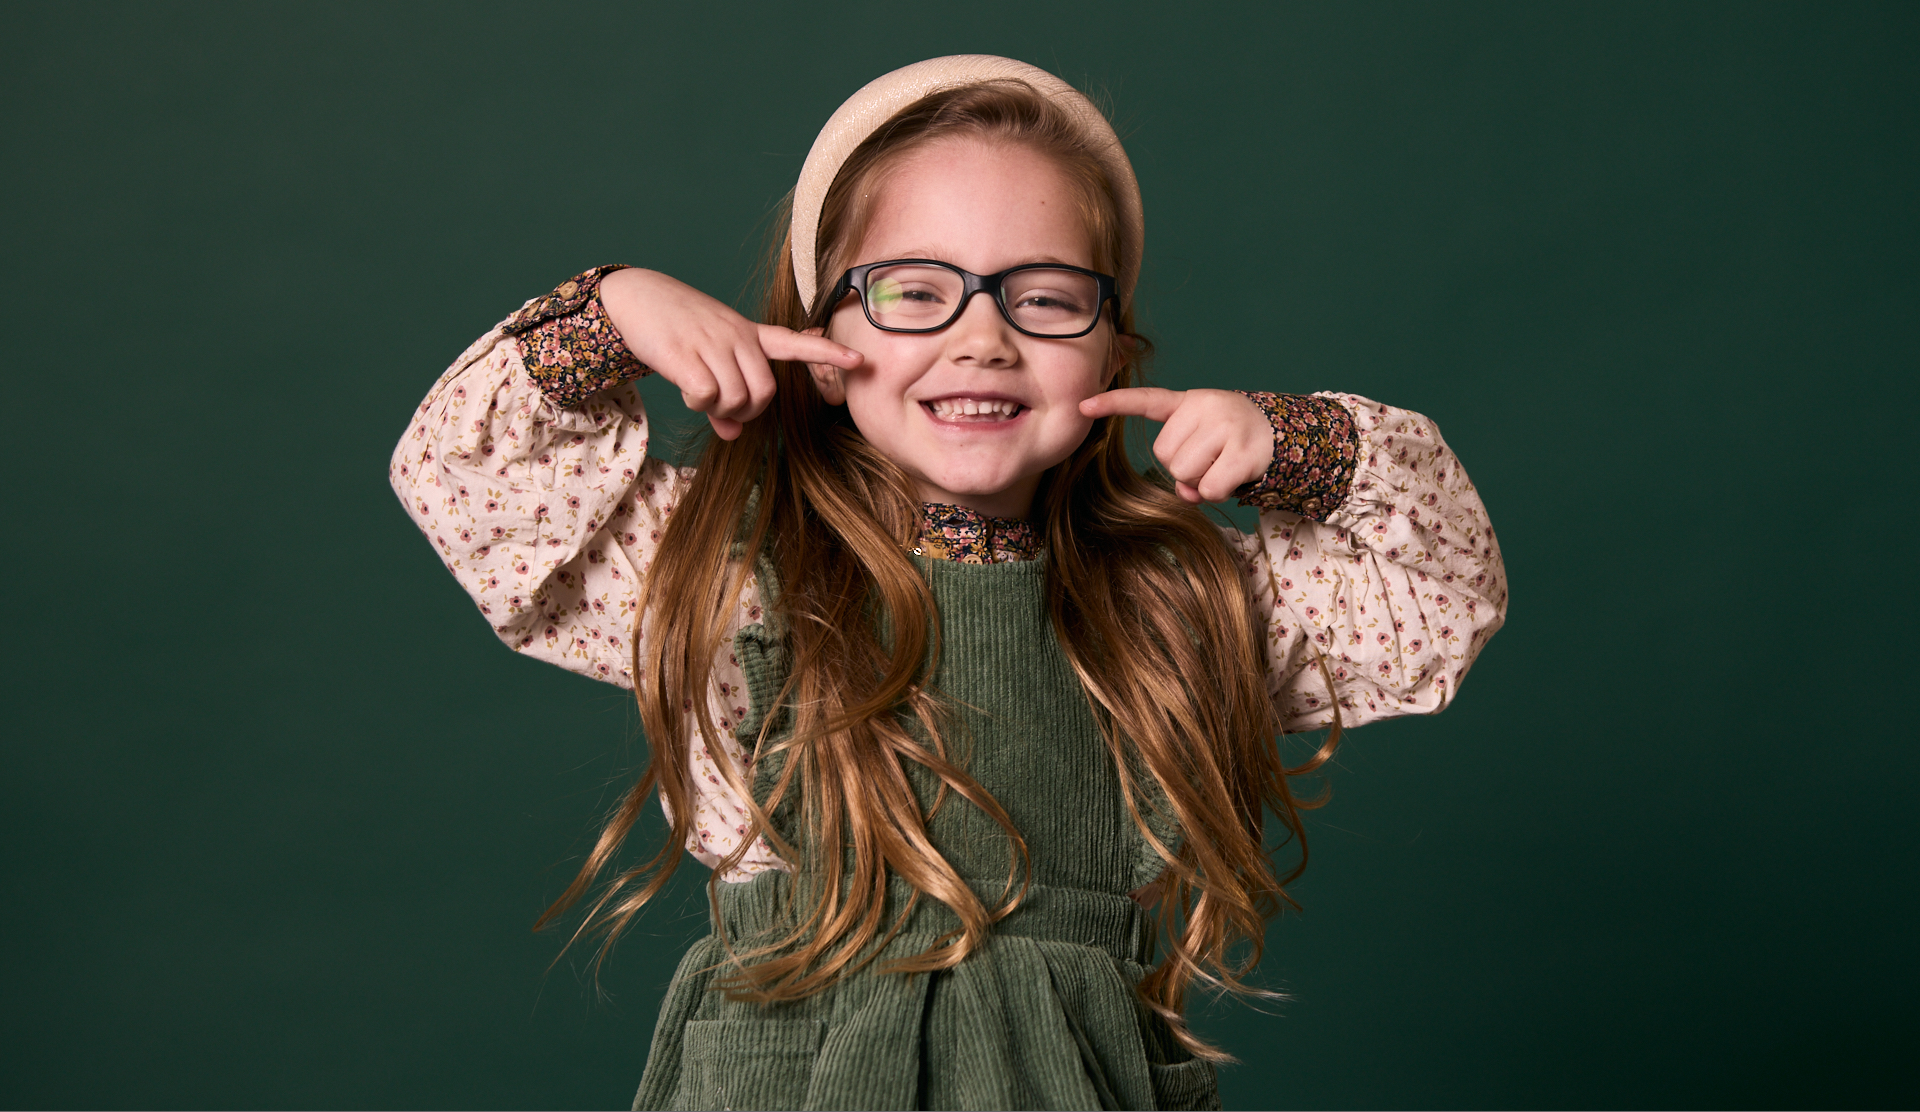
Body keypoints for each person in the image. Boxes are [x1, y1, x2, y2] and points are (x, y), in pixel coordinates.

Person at [390, 56, 1506, 1111]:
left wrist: (1298, 444)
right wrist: (614, 307)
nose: (982, 340)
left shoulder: (1178, 608)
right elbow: (464, 476)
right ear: (820, 339)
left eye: (1048, 297)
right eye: (914, 292)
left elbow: (1442, 591)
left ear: (1113, 351)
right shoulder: (729, 571)